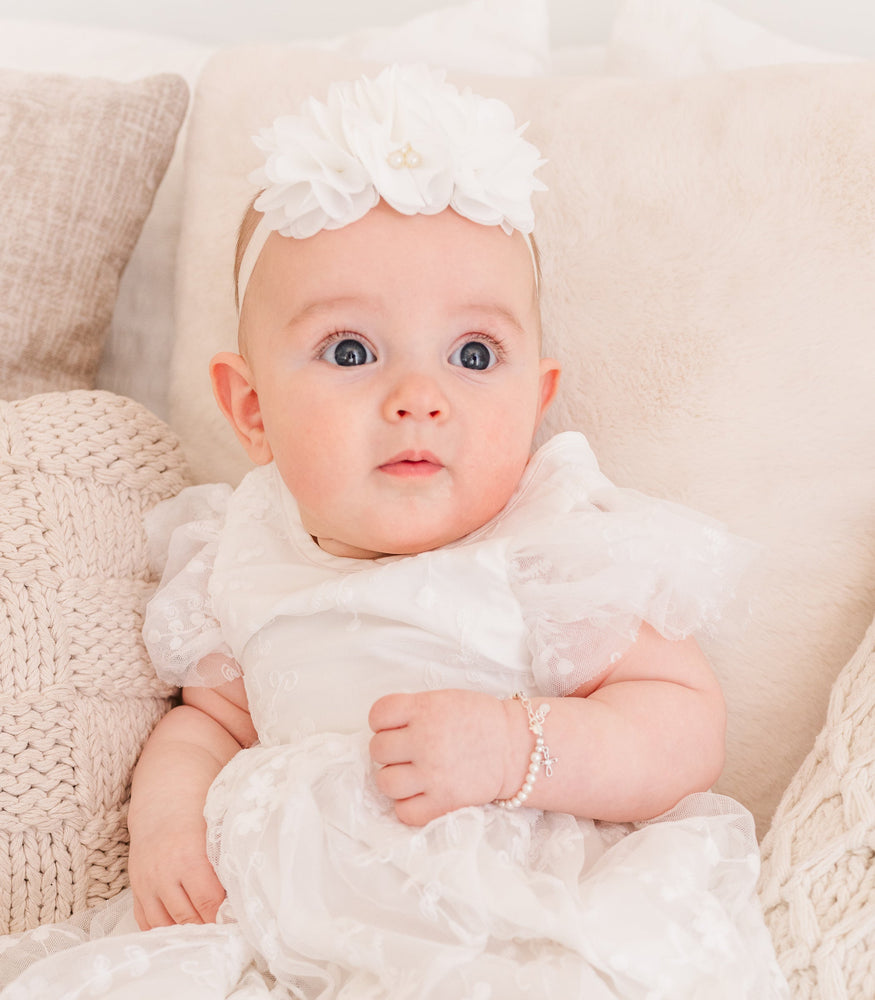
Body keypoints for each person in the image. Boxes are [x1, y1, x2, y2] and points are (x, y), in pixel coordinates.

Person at [0, 65, 788, 999]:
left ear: (534, 402)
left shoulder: (548, 542)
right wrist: (169, 822)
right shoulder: (241, 549)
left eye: (472, 355)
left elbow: (679, 723)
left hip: (492, 914)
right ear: (251, 409)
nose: (419, 398)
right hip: (271, 918)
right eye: (350, 352)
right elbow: (206, 722)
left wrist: (513, 747)